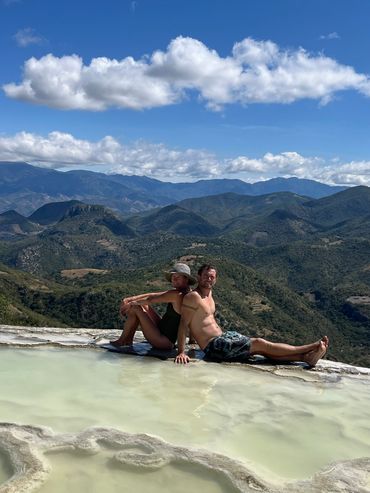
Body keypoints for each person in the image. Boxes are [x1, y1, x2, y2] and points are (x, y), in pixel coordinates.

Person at [175, 264, 329, 366]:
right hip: (214, 347)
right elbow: (184, 324)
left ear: (215, 279)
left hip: (224, 338)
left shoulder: (209, 295)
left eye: (212, 277)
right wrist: (181, 352)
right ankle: (310, 347)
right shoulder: (193, 297)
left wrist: (194, 341)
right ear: (199, 276)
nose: (208, 279)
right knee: (260, 343)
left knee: (260, 349)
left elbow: (201, 322)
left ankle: (305, 358)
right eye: (205, 276)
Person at [110, 263, 196, 350]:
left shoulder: (176, 294)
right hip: (166, 335)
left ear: (186, 279)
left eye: (178, 277)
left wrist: (129, 303)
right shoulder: (190, 294)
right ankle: (128, 340)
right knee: (144, 306)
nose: (174, 279)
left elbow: (150, 299)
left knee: (135, 308)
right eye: (173, 277)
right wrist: (129, 299)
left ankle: (122, 341)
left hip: (162, 341)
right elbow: (153, 294)